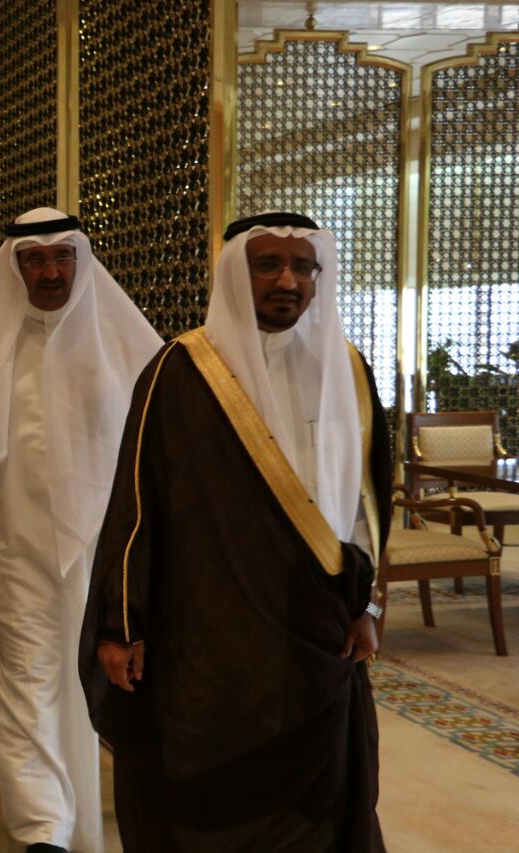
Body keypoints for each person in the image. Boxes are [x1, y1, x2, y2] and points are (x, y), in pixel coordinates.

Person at [81, 212, 392, 851]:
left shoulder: (347, 370)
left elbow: (366, 504)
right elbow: (136, 505)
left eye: (303, 266)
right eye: (267, 265)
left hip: (319, 632)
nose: (288, 281)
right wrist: (121, 624)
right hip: (208, 637)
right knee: (211, 799)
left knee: (321, 804)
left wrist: (367, 606)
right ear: (233, 274)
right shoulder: (181, 369)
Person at [0, 208, 161, 852]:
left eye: (62, 257)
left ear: (80, 260)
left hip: (103, 557)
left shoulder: (125, 342)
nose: (50, 272)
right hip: (11, 552)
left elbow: (157, 450)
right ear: (14, 269)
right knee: (25, 681)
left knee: (97, 682)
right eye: (35, 260)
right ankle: (43, 827)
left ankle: (102, 814)